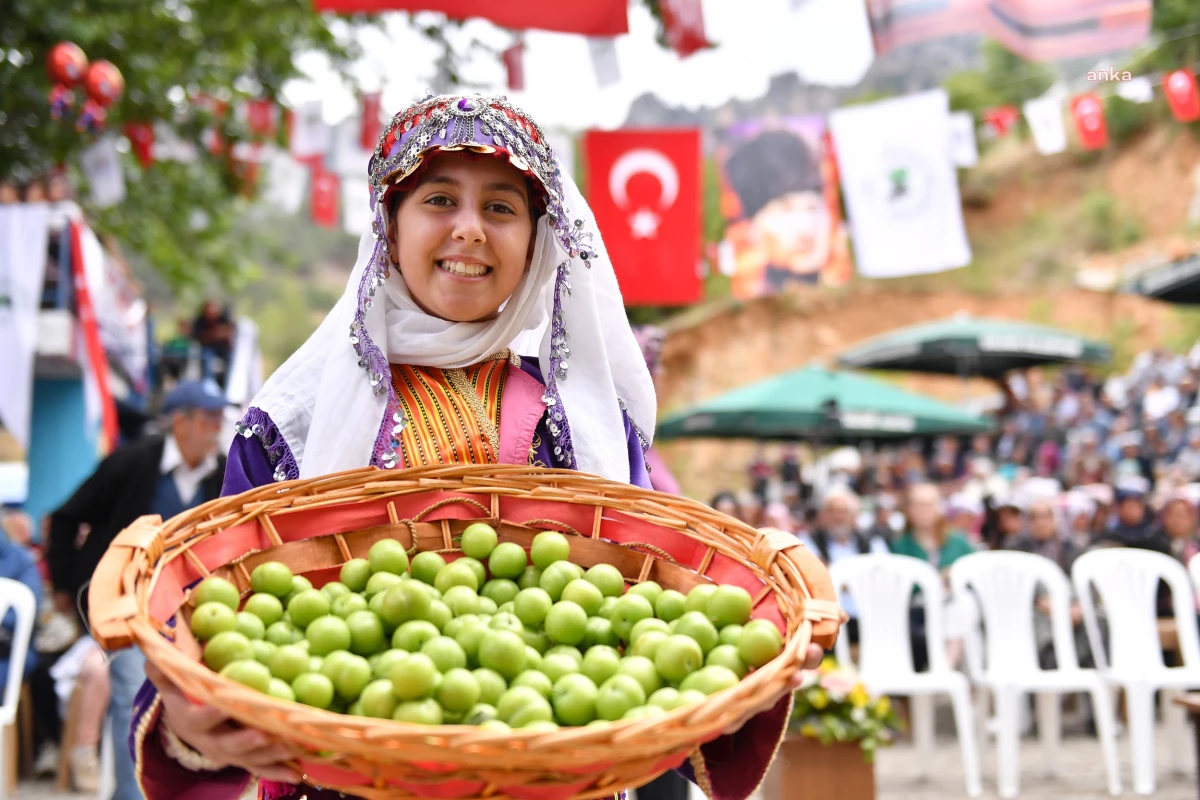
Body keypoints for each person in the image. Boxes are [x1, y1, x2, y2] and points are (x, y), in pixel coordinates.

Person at [129, 93, 827, 800]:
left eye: (500, 207)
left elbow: (668, 616)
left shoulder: (582, 422)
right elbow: (213, 617)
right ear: (388, 227)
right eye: (438, 199)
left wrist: (755, 649)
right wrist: (193, 720)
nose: (470, 230)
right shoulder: (289, 427)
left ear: (536, 239)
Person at [49, 378, 227, 800]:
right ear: (179, 422)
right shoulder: (131, 463)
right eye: (208, 418)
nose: (217, 427)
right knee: (133, 682)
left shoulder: (222, 472)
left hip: (191, 608)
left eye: (220, 417)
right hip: (124, 601)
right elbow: (65, 518)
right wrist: (64, 584)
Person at [890, 483, 976, 671]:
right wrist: (934, 580)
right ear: (908, 509)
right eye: (918, 505)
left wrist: (953, 576)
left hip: (955, 608)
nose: (924, 511)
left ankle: (946, 663)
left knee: (963, 603)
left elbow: (976, 574)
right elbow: (899, 587)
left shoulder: (957, 540)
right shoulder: (900, 545)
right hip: (919, 614)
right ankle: (944, 665)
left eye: (929, 504)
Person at [799, 487, 887, 646]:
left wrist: (836, 577)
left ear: (854, 516)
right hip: (828, 617)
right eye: (832, 511)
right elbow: (813, 577)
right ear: (822, 515)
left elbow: (884, 578)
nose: (838, 517)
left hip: (870, 615)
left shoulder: (872, 541)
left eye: (844, 511)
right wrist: (860, 580)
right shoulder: (807, 541)